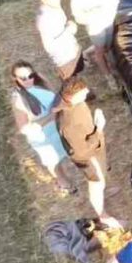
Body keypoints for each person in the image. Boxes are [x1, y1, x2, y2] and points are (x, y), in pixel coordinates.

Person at [55, 77, 120, 228]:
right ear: (72, 96)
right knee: (96, 184)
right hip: (88, 157)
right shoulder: (69, 123)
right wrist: (99, 128)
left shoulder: (76, 104)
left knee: (101, 178)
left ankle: (105, 192)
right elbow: (82, 150)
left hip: (95, 151)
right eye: (83, 93)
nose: (87, 93)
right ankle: (103, 216)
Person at [9, 61, 75, 194]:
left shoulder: (40, 83)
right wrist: (50, 117)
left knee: (64, 153)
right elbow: (24, 129)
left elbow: (54, 97)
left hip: (57, 127)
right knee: (54, 161)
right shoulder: (18, 100)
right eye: (23, 78)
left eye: (31, 75)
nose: (28, 80)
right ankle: (63, 182)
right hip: (43, 136)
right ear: (15, 79)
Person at [69, 0, 119, 78]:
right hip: (96, 26)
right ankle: (108, 75)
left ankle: (87, 53)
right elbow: (78, 17)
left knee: (107, 44)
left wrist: (109, 8)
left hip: (108, 20)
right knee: (100, 51)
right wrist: (93, 14)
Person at [34, 0, 83, 81]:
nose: (57, 0)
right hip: (64, 58)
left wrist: (68, 25)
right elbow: (49, 46)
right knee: (71, 83)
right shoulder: (44, 19)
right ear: (43, 0)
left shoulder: (55, 7)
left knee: (77, 74)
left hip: (71, 50)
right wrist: (69, 30)